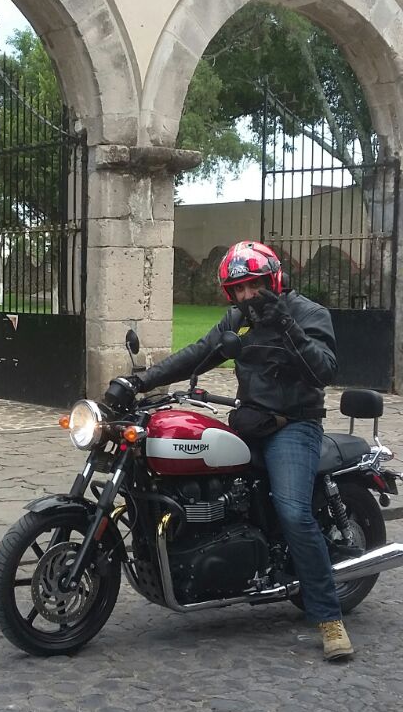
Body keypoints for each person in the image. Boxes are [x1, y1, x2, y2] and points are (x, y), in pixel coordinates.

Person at [128, 240, 353, 663]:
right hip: (250, 422)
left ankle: (329, 619)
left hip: (294, 426)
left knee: (293, 511)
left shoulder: (308, 314)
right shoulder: (238, 319)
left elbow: (323, 370)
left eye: (254, 286)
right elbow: (200, 351)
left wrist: (286, 325)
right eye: (239, 289)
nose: (248, 295)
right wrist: (141, 382)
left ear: (274, 279)